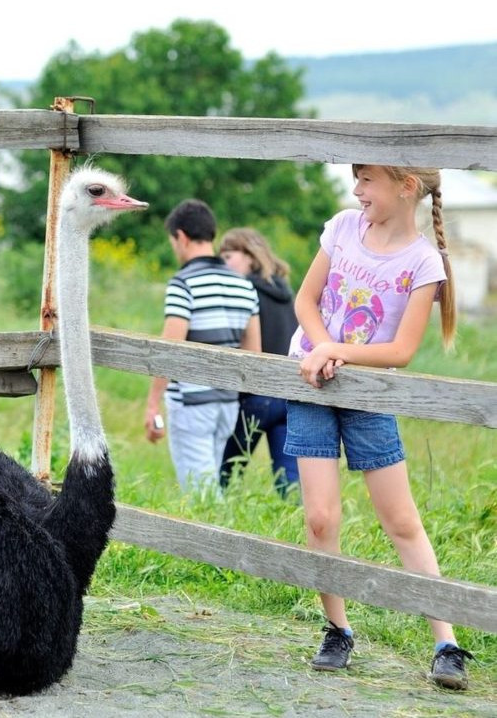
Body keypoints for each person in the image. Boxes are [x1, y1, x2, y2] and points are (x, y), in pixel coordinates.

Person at [285, 164, 473, 690]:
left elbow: (401, 351)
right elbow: (305, 300)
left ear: (404, 186)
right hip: (312, 383)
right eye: (356, 179)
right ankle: (338, 629)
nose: (356, 190)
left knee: (401, 521)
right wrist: (322, 348)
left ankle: (447, 641)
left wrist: (335, 351)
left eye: (366, 180)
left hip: (369, 395)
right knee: (320, 519)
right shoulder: (343, 228)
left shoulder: (423, 262)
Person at [145, 199, 261, 494]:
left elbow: (169, 351)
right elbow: (253, 353)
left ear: (181, 237)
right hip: (227, 402)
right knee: (212, 485)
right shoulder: (244, 285)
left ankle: (218, 541)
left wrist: (152, 406)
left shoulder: (183, 284)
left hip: (191, 401)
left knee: (201, 495)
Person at [217, 227, 300, 498]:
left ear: (250, 257)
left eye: (229, 256)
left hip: (255, 395)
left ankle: (217, 520)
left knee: (226, 474)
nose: (224, 263)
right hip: (288, 395)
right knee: (289, 482)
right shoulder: (286, 292)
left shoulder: (245, 291)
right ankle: (296, 532)